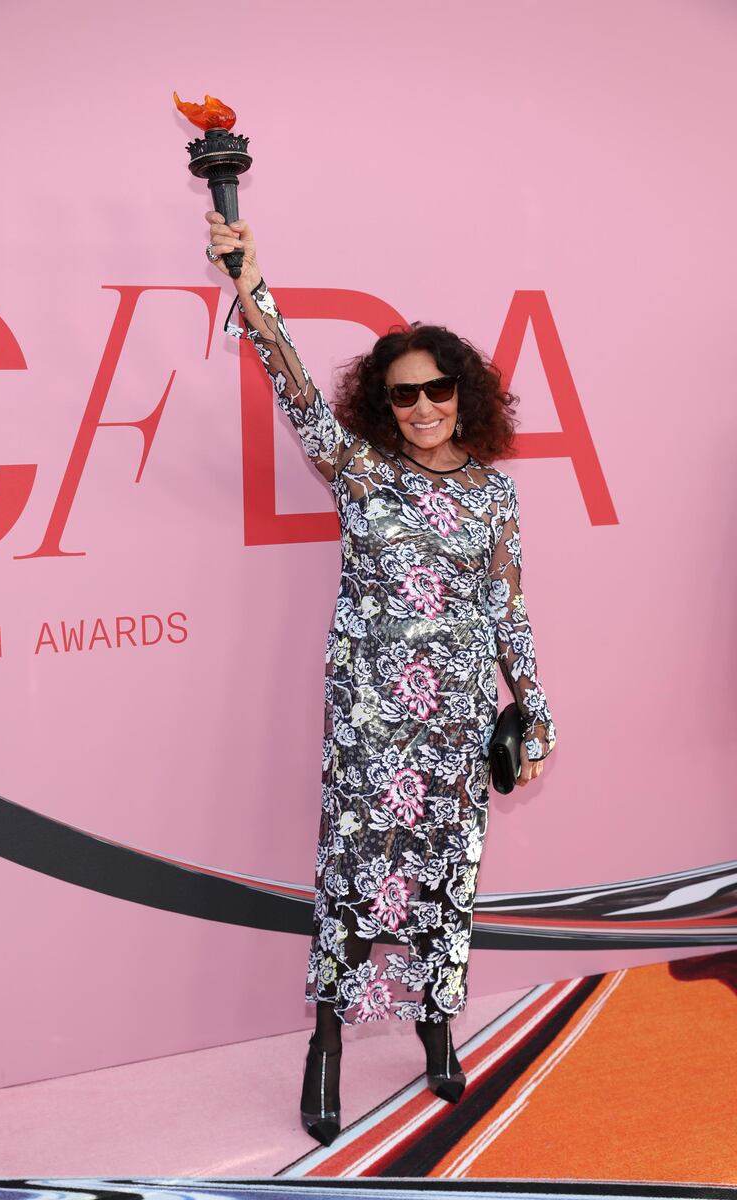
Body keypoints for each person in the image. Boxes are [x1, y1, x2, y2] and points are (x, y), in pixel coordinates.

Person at [204, 209, 557, 1147]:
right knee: (355, 874)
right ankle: (325, 1040)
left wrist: (534, 708)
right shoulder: (357, 471)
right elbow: (285, 377)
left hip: (454, 721)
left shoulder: (493, 492)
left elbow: (507, 607)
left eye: (439, 388)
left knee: (447, 874)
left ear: (465, 395)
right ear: (382, 406)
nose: (425, 407)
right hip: (369, 717)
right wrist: (249, 277)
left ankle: (438, 1022)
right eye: (405, 396)